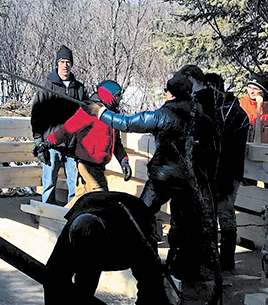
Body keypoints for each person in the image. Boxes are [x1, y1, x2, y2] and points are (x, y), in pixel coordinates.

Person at [86, 73, 216, 282]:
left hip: (163, 178)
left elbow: (127, 123)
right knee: (183, 223)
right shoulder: (199, 114)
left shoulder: (165, 114)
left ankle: (143, 259)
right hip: (189, 180)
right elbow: (212, 141)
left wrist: (101, 113)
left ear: (170, 93)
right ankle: (182, 266)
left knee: (141, 215)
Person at [44, 191, 170, 305]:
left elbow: (151, 281)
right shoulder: (71, 234)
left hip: (133, 216)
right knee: (56, 277)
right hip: (88, 206)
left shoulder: (135, 237)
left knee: (153, 285)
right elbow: (52, 278)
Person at [35, 79, 131, 203]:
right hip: (87, 164)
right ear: (109, 95)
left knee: (79, 200)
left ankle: (58, 219)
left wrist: (124, 161)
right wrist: (49, 142)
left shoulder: (111, 115)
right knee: (102, 199)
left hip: (99, 166)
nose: (120, 99)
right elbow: (67, 129)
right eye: (117, 96)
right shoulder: (90, 111)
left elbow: (116, 142)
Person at [31, 45, 87, 205]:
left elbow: (86, 115)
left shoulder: (79, 88)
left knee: (74, 184)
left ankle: (71, 216)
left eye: (68, 62)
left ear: (72, 65)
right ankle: (46, 216)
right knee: (48, 183)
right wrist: (38, 140)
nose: (65, 65)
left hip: (72, 145)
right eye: (62, 61)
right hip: (51, 143)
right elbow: (36, 114)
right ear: (57, 63)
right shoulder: (47, 86)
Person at [205, 71, 249, 273]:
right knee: (216, 215)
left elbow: (231, 151)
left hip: (226, 173)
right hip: (221, 172)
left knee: (224, 214)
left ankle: (225, 261)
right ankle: (218, 259)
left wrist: (225, 177)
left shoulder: (232, 115)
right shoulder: (229, 112)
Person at [239, 73, 268, 143]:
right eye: (249, 87)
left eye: (255, 89)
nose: (251, 92)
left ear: (263, 91)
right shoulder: (240, 104)